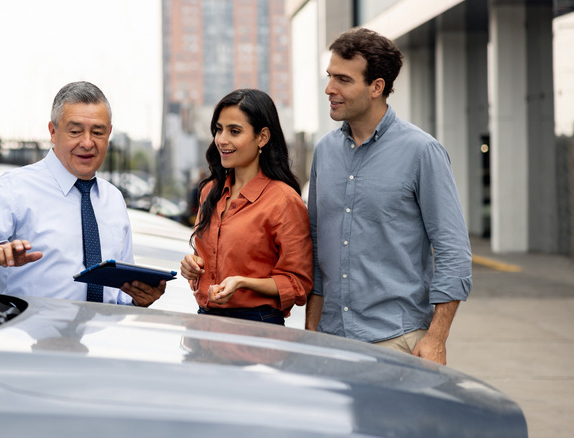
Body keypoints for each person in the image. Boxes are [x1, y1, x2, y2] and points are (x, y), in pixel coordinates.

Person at [305, 27, 472, 364]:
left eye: (343, 79)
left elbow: (454, 253)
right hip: (331, 339)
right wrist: (311, 332)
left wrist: (436, 338)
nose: (329, 89)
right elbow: (317, 248)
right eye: (329, 76)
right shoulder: (324, 152)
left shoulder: (422, 152)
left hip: (397, 343)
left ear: (376, 87)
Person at [0, 81, 165, 307]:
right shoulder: (15, 189)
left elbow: (120, 292)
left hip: (101, 338)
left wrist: (138, 299)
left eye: (97, 132)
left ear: (109, 134)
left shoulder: (113, 199)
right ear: (53, 131)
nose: (87, 143)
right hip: (30, 337)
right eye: (75, 131)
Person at [179, 89, 313, 325]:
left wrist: (242, 282)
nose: (221, 139)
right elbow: (209, 263)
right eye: (219, 129)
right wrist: (193, 269)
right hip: (206, 324)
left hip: (257, 326)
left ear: (262, 137)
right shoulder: (210, 192)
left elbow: (298, 284)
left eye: (235, 131)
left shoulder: (283, 200)